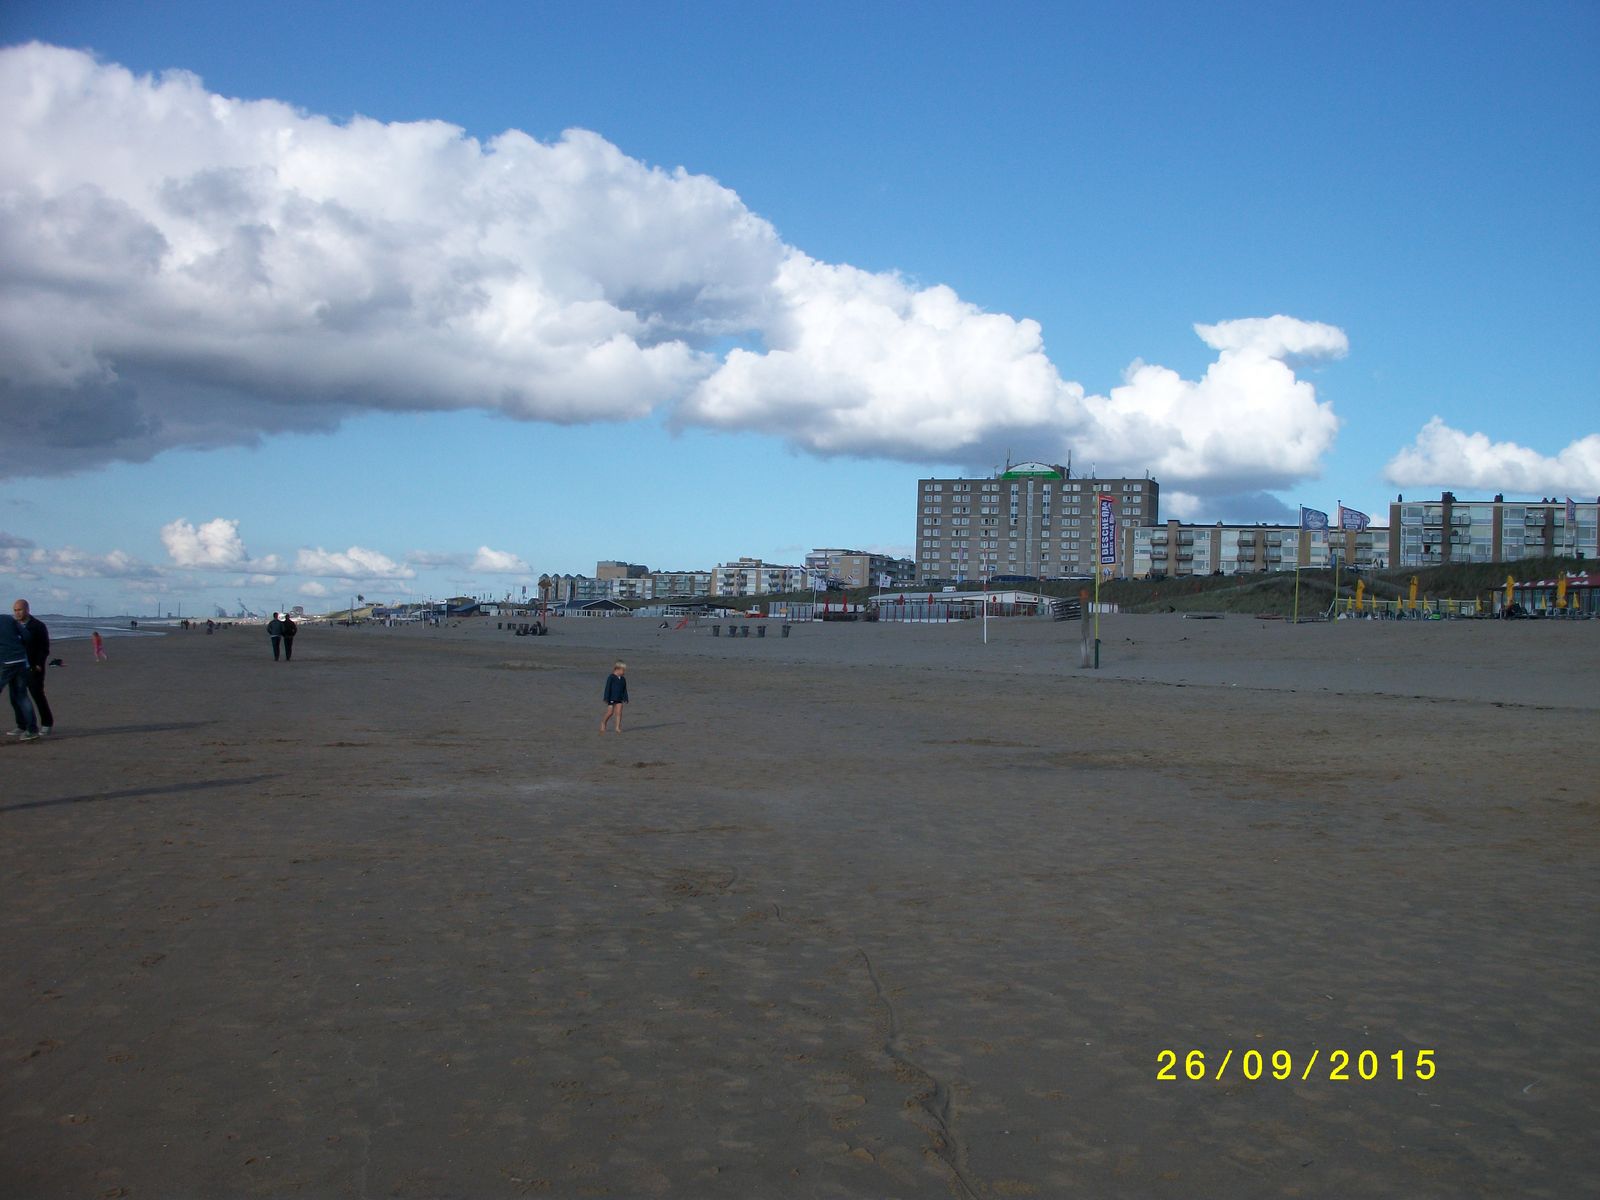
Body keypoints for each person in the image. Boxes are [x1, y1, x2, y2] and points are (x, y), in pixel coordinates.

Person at [13, 599, 52, 735]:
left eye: (20, 610)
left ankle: (47, 723)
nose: (17, 613)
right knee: (16, 697)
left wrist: (39, 664)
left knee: (37, 694)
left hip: (33, 667)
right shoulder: (14, 626)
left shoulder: (38, 626)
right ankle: (21, 725)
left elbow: (44, 648)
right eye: (15, 610)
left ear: (27, 610)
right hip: (17, 666)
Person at [1, 610, 40, 741]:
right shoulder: (8, 619)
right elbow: (27, 636)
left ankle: (29, 728)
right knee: (21, 696)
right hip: (20, 660)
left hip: (5, 662)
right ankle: (31, 730)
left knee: (20, 695)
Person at [600, 660, 628, 733]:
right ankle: (603, 722)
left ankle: (617, 727)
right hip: (611, 698)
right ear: (617, 669)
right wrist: (606, 697)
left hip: (619, 698)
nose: (624, 672)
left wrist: (625, 697)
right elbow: (607, 688)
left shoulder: (623, 679)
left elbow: (624, 689)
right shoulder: (611, 677)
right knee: (610, 712)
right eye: (623, 670)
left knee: (619, 712)